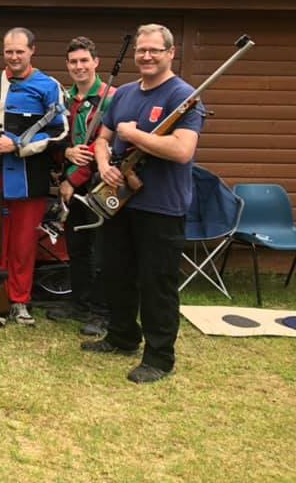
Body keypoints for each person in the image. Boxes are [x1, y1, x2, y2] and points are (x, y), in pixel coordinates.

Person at [83, 24, 203, 384]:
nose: (146, 56)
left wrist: (134, 135)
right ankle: (122, 337)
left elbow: (183, 150)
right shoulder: (124, 95)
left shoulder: (183, 97)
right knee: (117, 273)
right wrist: (104, 165)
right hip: (120, 203)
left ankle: (159, 357)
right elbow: (103, 137)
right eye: (141, 50)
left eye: (154, 50)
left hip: (161, 208)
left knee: (157, 283)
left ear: (170, 54)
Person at [0, 28, 67, 326]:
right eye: (9, 51)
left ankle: (20, 300)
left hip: (29, 178)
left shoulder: (50, 85)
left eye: (19, 51)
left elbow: (59, 130)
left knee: (24, 244)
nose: (14, 57)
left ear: (32, 51)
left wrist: (18, 145)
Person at [47, 36, 114, 335]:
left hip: (98, 185)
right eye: (73, 62)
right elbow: (57, 140)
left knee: (101, 252)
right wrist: (65, 154)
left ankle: (102, 312)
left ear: (96, 62)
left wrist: (72, 181)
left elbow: (102, 146)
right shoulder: (64, 98)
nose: (79, 66)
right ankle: (80, 303)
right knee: (77, 248)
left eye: (84, 60)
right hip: (69, 186)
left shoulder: (111, 98)